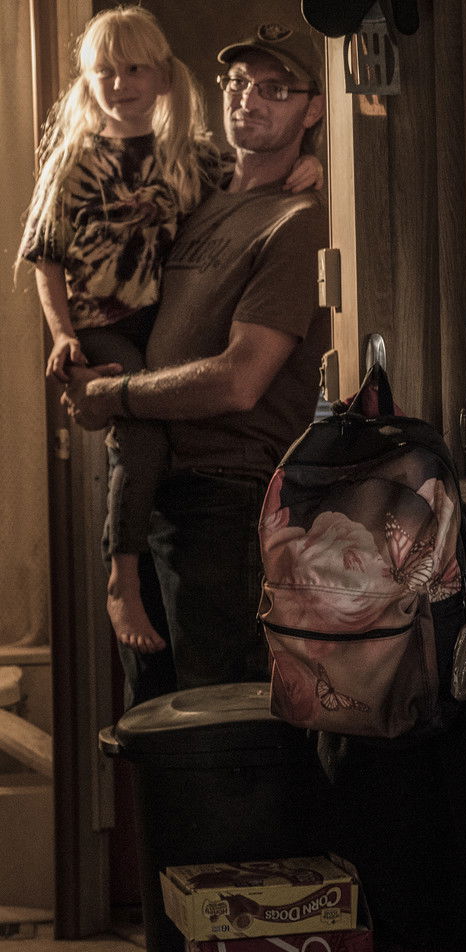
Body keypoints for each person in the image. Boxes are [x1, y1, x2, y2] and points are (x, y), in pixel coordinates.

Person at [20, 7, 318, 657]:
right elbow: (48, 254)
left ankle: (121, 577)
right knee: (155, 697)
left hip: (227, 492)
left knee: (212, 697)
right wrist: (66, 337)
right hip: (142, 432)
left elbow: (240, 381)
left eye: (276, 89)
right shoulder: (136, 175)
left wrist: (316, 165)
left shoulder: (265, 203)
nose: (250, 99)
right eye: (239, 82)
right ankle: (121, 574)